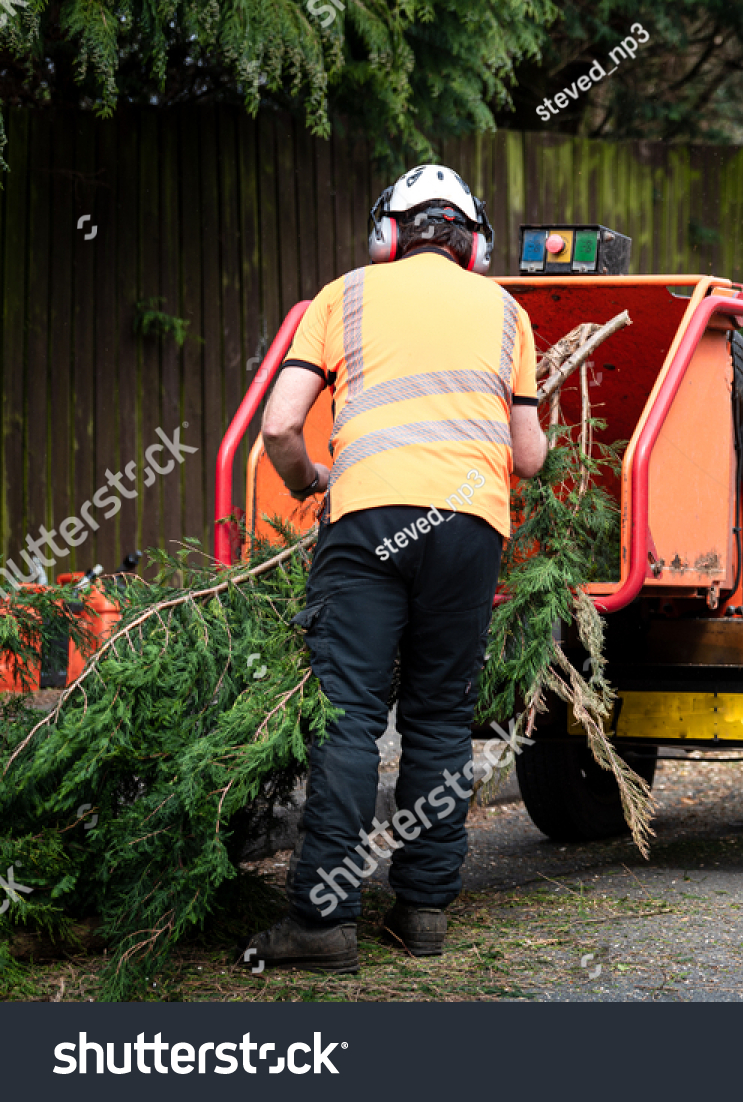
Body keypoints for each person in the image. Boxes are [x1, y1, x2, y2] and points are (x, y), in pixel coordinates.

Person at [240, 164, 548, 973]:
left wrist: (310, 480)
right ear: (474, 245)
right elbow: (529, 457)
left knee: (348, 718)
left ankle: (322, 923)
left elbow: (278, 426)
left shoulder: (342, 296)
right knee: (440, 722)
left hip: (369, 521)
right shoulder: (508, 312)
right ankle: (423, 916)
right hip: (470, 528)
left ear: (388, 234)